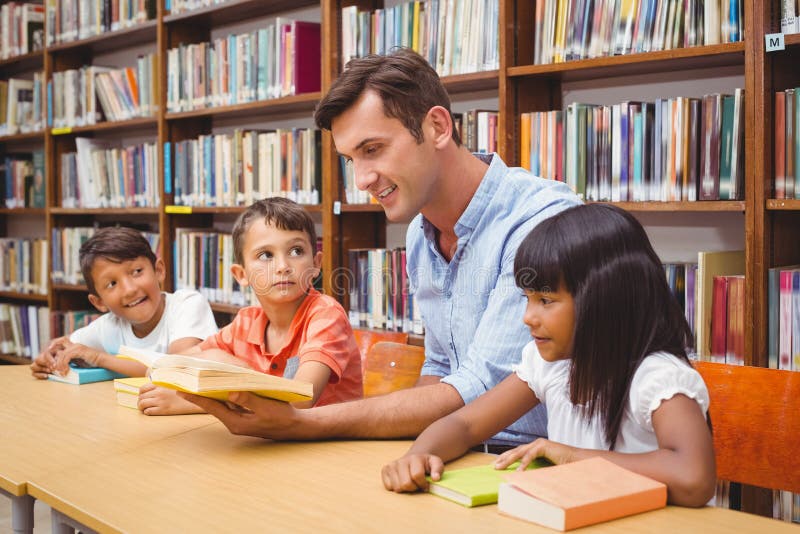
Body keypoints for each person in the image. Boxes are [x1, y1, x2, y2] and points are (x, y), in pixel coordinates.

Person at [181, 48, 580, 445]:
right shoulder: (420, 235)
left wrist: (302, 424)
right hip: (455, 449)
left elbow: (481, 385)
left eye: (372, 150)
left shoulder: (540, 223)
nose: (361, 180)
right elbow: (441, 366)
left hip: (531, 464)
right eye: (350, 159)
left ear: (438, 127)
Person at [381, 204, 716, 507]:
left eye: (545, 300)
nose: (528, 317)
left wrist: (571, 457)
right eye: (527, 298)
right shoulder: (549, 365)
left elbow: (693, 479)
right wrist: (420, 455)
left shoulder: (657, 378)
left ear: (603, 299)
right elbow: (465, 424)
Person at [139, 197, 363, 415]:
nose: (283, 266)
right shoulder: (246, 321)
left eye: (296, 251)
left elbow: (299, 401)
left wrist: (193, 402)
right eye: (266, 255)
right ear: (241, 274)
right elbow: (186, 358)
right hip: (273, 442)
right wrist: (164, 366)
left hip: (330, 444)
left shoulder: (326, 315)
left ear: (315, 264)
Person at [30, 226, 218, 379]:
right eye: (112, 284)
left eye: (137, 271)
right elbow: (68, 347)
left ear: (158, 270)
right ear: (99, 302)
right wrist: (51, 356)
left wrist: (98, 358)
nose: (129, 289)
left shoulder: (187, 304)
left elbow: (176, 369)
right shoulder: (109, 326)